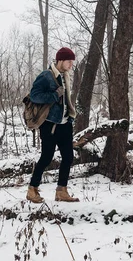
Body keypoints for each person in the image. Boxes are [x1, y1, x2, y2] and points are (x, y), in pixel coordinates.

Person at [26, 47, 80, 203]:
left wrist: (70, 117)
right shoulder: (46, 76)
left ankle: (61, 191)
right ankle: (32, 190)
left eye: (72, 61)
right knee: (46, 157)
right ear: (61, 60)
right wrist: (54, 95)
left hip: (64, 124)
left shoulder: (65, 76)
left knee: (68, 157)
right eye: (69, 61)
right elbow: (35, 96)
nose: (71, 64)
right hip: (49, 125)